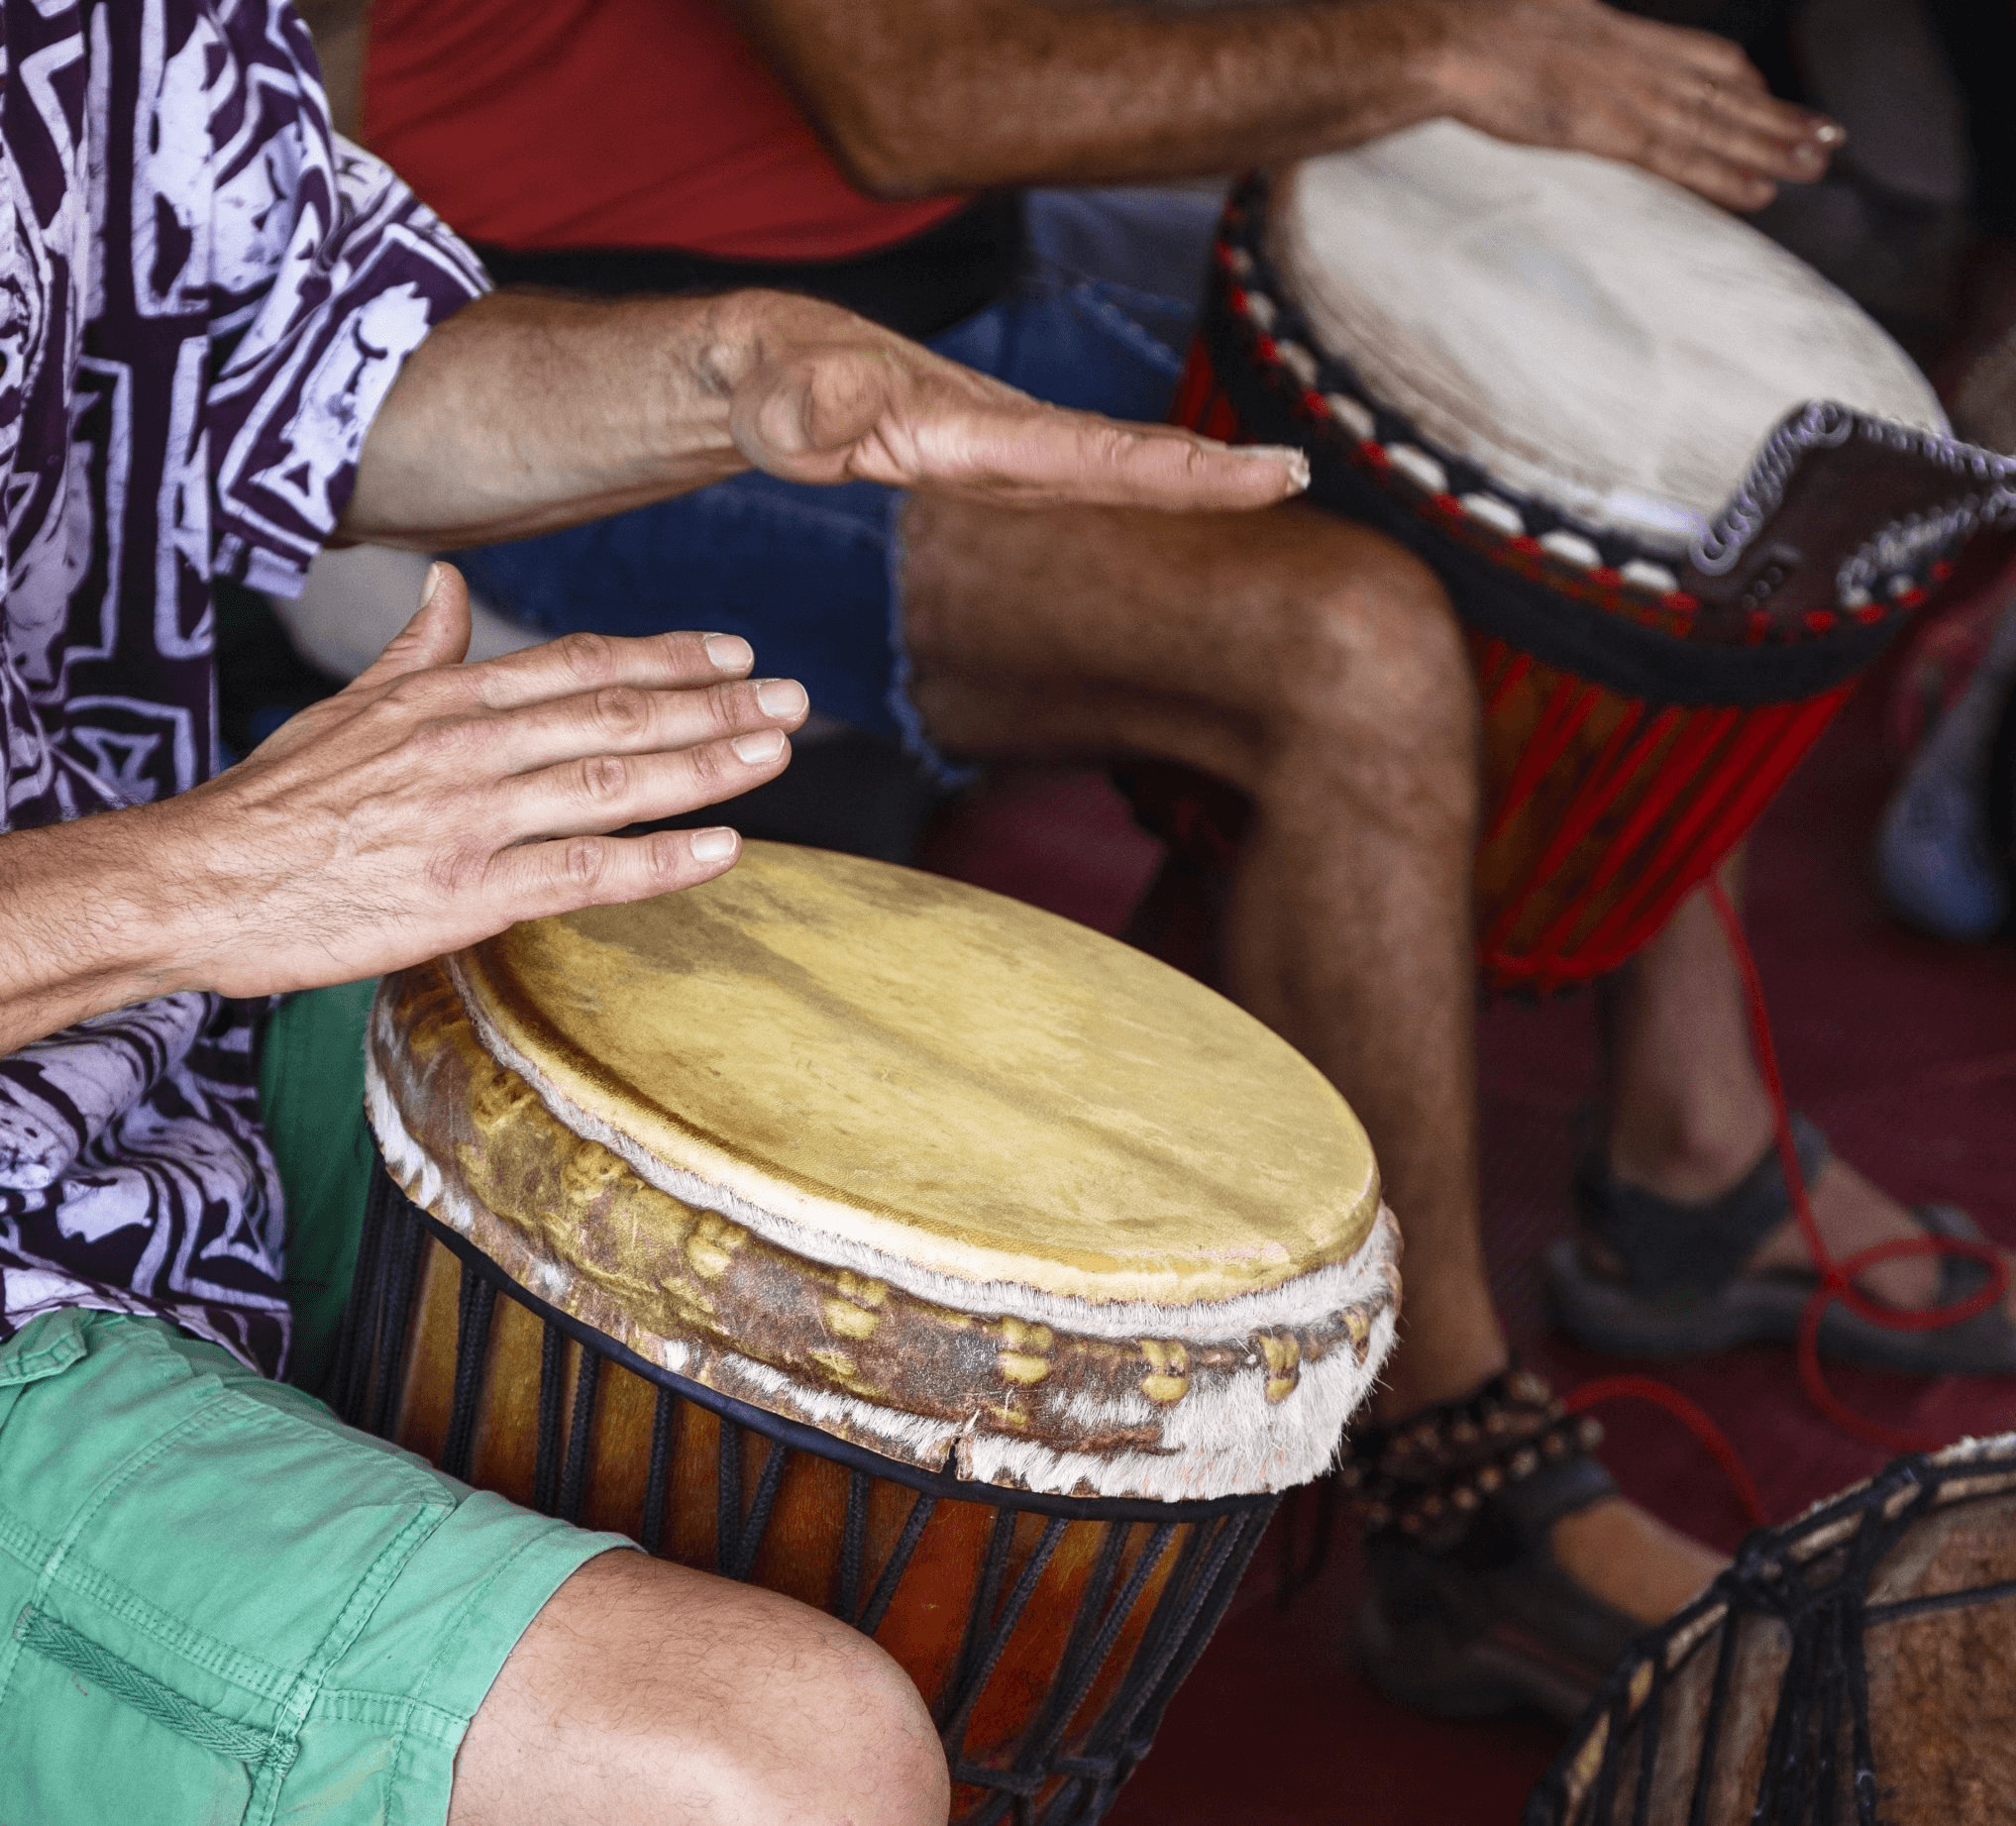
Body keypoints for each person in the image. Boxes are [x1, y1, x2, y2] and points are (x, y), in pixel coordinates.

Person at [352, 0, 2016, 1723]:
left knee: (1669, 486)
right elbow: (915, 101)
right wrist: (1453, 52)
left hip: (919, 283)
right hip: (564, 378)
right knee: (1350, 651)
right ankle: (1464, 1502)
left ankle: (1701, 1161)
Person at [0, 5, 1307, 1820]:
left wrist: (729, 374)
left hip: (133, 1050)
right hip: (106, 1030)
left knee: (876, 1160)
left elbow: (277, 356)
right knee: (778, 1769)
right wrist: (210, 875)